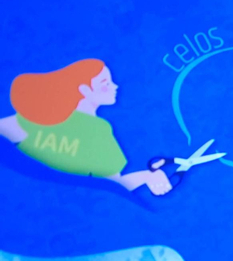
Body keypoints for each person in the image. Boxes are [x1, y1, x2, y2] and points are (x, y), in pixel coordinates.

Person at [1, 59, 172, 194]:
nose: (115, 86)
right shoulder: (99, 131)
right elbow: (114, 188)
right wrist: (146, 177)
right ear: (84, 90)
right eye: (105, 84)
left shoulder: (45, 116)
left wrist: (147, 177)